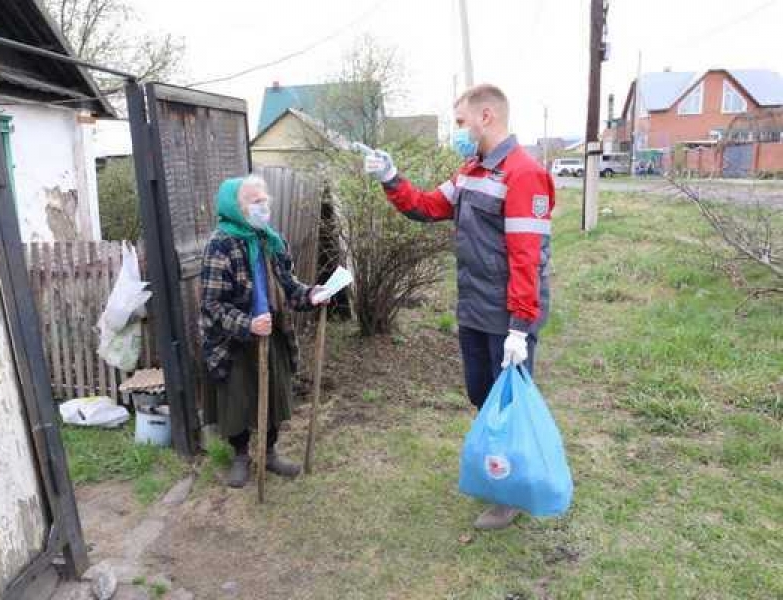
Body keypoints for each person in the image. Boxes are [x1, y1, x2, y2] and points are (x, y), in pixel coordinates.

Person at [363, 84, 555, 530]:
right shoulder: (471, 170)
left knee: (506, 407)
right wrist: (391, 177)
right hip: (473, 308)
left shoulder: (523, 174)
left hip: (506, 316)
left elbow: (528, 256)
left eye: (461, 121)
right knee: (480, 396)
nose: (458, 131)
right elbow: (427, 206)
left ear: (486, 116)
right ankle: (498, 474)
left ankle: (509, 495)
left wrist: (520, 328)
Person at [200, 175, 327, 488]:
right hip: (234, 340)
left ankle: (269, 453)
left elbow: (288, 284)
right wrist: (247, 324)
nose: (263, 206)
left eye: (264, 200)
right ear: (236, 207)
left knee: (274, 396)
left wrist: (311, 294)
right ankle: (241, 456)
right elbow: (212, 304)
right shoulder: (220, 245)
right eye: (255, 202)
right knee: (237, 400)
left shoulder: (271, 240)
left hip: (272, 332)